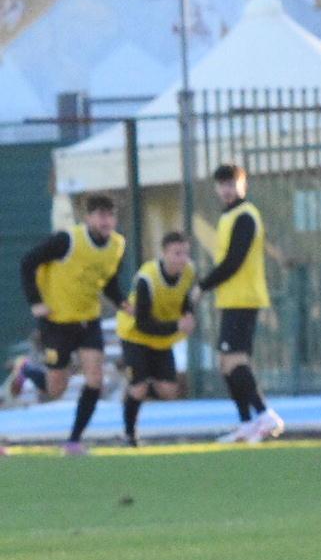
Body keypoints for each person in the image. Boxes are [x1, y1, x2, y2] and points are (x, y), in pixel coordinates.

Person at [16, 193, 124, 454]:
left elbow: (107, 279)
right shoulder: (67, 240)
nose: (105, 220)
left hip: (88, 321)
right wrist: (36, 302)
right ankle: (27, 370)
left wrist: (121, 301)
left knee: (94, 379)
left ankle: (74, 440)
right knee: (56, 389)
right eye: (100, 215)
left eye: (110, 215)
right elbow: (28, 262)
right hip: (57, 322)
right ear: (88, 218)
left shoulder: (118, 245)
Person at [199, 163, 283, 444]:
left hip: (244, 297)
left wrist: (203, 286)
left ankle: (264, 413)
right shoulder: (229, 216)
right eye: (222, 184)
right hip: (232, 298)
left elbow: (234, 261)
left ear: (244, 185)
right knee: (226, 363)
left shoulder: (246, 216)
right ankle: (247, 423)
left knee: (235, 359)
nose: (227, 189)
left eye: (232, 183)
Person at [114, 229, 197, 446]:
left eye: (185, 253)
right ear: (163, 254)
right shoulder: (147, 278)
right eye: (176, 253)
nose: (182, 259)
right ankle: (129, 435)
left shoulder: (188, 272)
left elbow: (185, 298)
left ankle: (134, 386)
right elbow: (143, 323)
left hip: (162, 337)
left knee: (169, 391)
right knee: (139, 388)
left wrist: (189, 315)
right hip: (135, 334)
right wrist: (176, 325)